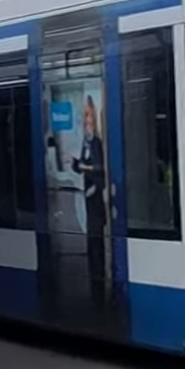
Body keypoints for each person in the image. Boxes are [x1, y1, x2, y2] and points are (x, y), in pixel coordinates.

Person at [70, 96, 108, 305]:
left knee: (97, 243)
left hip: (96, 199)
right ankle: (94, 288)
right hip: (86, 197)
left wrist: (83, 168)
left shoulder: (96, 143)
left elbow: (101, 168)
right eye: (85, 117)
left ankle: (100, 289)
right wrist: (75, 164)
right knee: (90, 244)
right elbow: (79, 167)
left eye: (89, 116)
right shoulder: (84, 142)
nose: (87, 121)